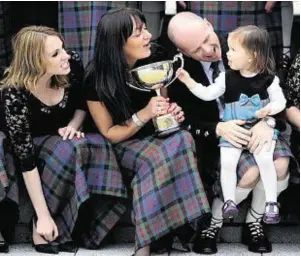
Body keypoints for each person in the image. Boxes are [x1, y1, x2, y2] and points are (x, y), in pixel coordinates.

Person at [84, 8, 210, 256]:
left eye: (145, 29)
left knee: (183, 138)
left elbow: (160, 106)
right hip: (121, 144)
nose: (148, 35)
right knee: (156, 160)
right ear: (118, 42)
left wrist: (170, 112)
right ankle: (153, 240)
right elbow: (110, 133)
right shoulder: (95, 78)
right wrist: (144, 114)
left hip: (157, 138)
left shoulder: (155, 57)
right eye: (139, 32)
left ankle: (149, 241)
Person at [167, 12, 293, 254]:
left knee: (279, 164)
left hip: (261, 127)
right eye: (196, 49)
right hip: (218, 140)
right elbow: (187, 119)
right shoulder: (180, 71)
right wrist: (218, 128)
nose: (208, 50)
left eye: (207, 39)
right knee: (251, 172)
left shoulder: (244, 42)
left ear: (208, 23)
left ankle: (254, 223)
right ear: (182, 51)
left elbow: (277, 93)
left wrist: (267, 122)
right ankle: (213, 224)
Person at [1, 26, 128, 254]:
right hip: (22, 146)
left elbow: (82, 102)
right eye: (55, 54)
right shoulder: (14, 93)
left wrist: (72, 126)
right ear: (35, 62)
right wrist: (41, 215)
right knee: (63, 151)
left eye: (63, 48)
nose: (66, 56)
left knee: (83, 145)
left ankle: (72, 226)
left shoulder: (72, 64)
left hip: (60, 135)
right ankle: (41, 227)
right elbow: (26, 158)